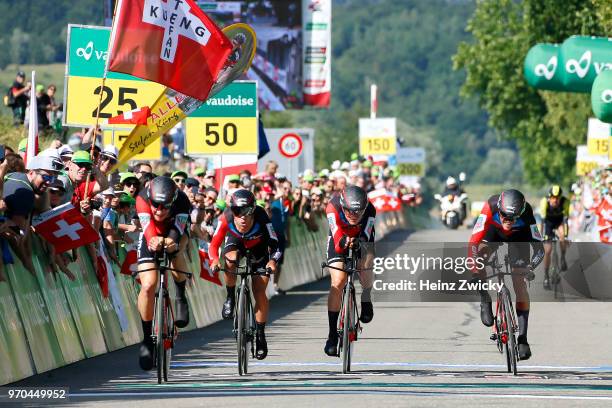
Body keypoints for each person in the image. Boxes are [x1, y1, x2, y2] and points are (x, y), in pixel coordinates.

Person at [468, 189, 544, 361]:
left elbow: (539, 249)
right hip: (493, 234)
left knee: (519, 283)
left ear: (521, 213)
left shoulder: (527, 214)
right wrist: (475, 272)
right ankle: (484, 298)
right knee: (481, 253)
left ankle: (523, 339)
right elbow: (473, 242)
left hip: (519, 239)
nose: (507, 220)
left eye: (512, 217)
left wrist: (530, 267)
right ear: (499, 209)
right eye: (503, 215)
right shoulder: (490, 206)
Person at [208, 189, 282, 360]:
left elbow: (276, 246)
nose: (242, 217)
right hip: (236, 243)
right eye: (237, 212)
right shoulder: (225, 218)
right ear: (231, 210)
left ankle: (261, 335)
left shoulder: (262, 217)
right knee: (230, 259)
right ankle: (230, 297)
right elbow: (213, 245)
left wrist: (272, 261)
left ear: (253, 210)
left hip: (258, 249)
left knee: (259, 288)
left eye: (247, 212)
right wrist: (214, 260)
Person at [135, 176, 192, 370]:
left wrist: (170, 242)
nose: (159, 210)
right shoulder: (142, 198)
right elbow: (149, 231)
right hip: (152, 232)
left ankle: (180, 294)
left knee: (176, 249)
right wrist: (154, 241)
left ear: (173, 201)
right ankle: (146, 339)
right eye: (156, 205)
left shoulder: (183, 200)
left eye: (164, 206)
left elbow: (177, 230)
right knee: (149, 284)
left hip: (174, 231)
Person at [324, 185, 376, 357]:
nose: (353, 215)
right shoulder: (332, 207)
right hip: (339, 236)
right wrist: (344, 243)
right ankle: (332, 335)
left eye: (358, 212)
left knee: (366, 266)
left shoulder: (370, 210)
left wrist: (358, 242)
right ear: (342, 205)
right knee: (338, 281)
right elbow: (336, 234)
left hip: (361, 237)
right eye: (349, 211)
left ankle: (366, 297)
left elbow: (366, 235)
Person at [539, 185, 570, 289]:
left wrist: (565, 236)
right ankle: (546, 276)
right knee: (547, 250)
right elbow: (542, 222)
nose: (555, 200)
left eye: (557, 198)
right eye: (553, 197)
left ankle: (562, 257)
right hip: (548, 223)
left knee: (562, 237)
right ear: (549, 197)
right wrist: (542, 236)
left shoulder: (565, 202)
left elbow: (566, 221)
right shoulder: (544, 202)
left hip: (559, 222)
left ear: (560, 197)